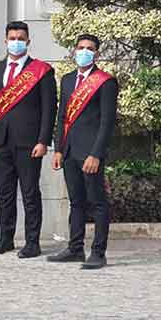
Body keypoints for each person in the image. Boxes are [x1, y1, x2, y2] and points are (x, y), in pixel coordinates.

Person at [0, 21, 57, 258]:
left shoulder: (41, 70)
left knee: (30, 193)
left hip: (29, 142)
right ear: (5, 41)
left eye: (20, 38)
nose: (16, 42)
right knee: (4, 193)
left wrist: (43, 141)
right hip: (0, 141)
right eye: (12, 38)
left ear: (28, 41)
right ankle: (6, 238)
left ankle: (32, 242)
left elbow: (49, 109)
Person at [49, 34, 118, 270]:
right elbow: (62, 117)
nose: (84, 52)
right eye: (80, 48)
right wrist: (58, 148)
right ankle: (75, 248)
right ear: (74, 50)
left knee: (97, 203)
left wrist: (96, 154)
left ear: (96, 54)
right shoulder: (67, 80)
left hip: (90, 154)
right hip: (69, 151)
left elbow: (107, 122)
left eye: (89, 49)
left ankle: (99, 252)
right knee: (76, 202)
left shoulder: (105, 82)